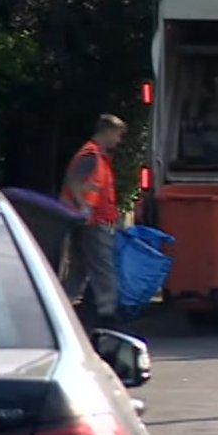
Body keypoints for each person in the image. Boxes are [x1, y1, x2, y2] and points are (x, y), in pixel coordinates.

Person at [60, 114, 126, 328]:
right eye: (117, 135)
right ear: (106, 131)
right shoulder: (91, 155)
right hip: (93, 222)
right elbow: (74, 182)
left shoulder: (96, 156)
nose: (118, 140)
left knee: (78, 269)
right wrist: (83, 207)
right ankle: (108, 315)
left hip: (86, 221)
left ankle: (63, 309)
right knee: (103, 269)